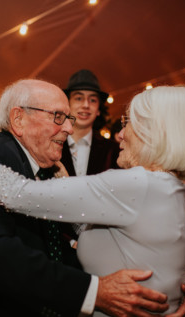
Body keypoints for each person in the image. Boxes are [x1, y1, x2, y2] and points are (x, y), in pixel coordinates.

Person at [0, 85, 185, 317]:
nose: (120, 133)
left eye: (128, 123)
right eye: (58, 117)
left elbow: (16, 193)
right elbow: (111, 238)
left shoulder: (138, 184)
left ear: (155, 133)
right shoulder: (171, 187)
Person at [61, 69, 119, 236]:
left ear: (99, 109)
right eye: (78, 98)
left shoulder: (113, 150)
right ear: (68, 105)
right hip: (60, 245)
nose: (85, 105)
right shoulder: (51, 147)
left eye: (92, 100)